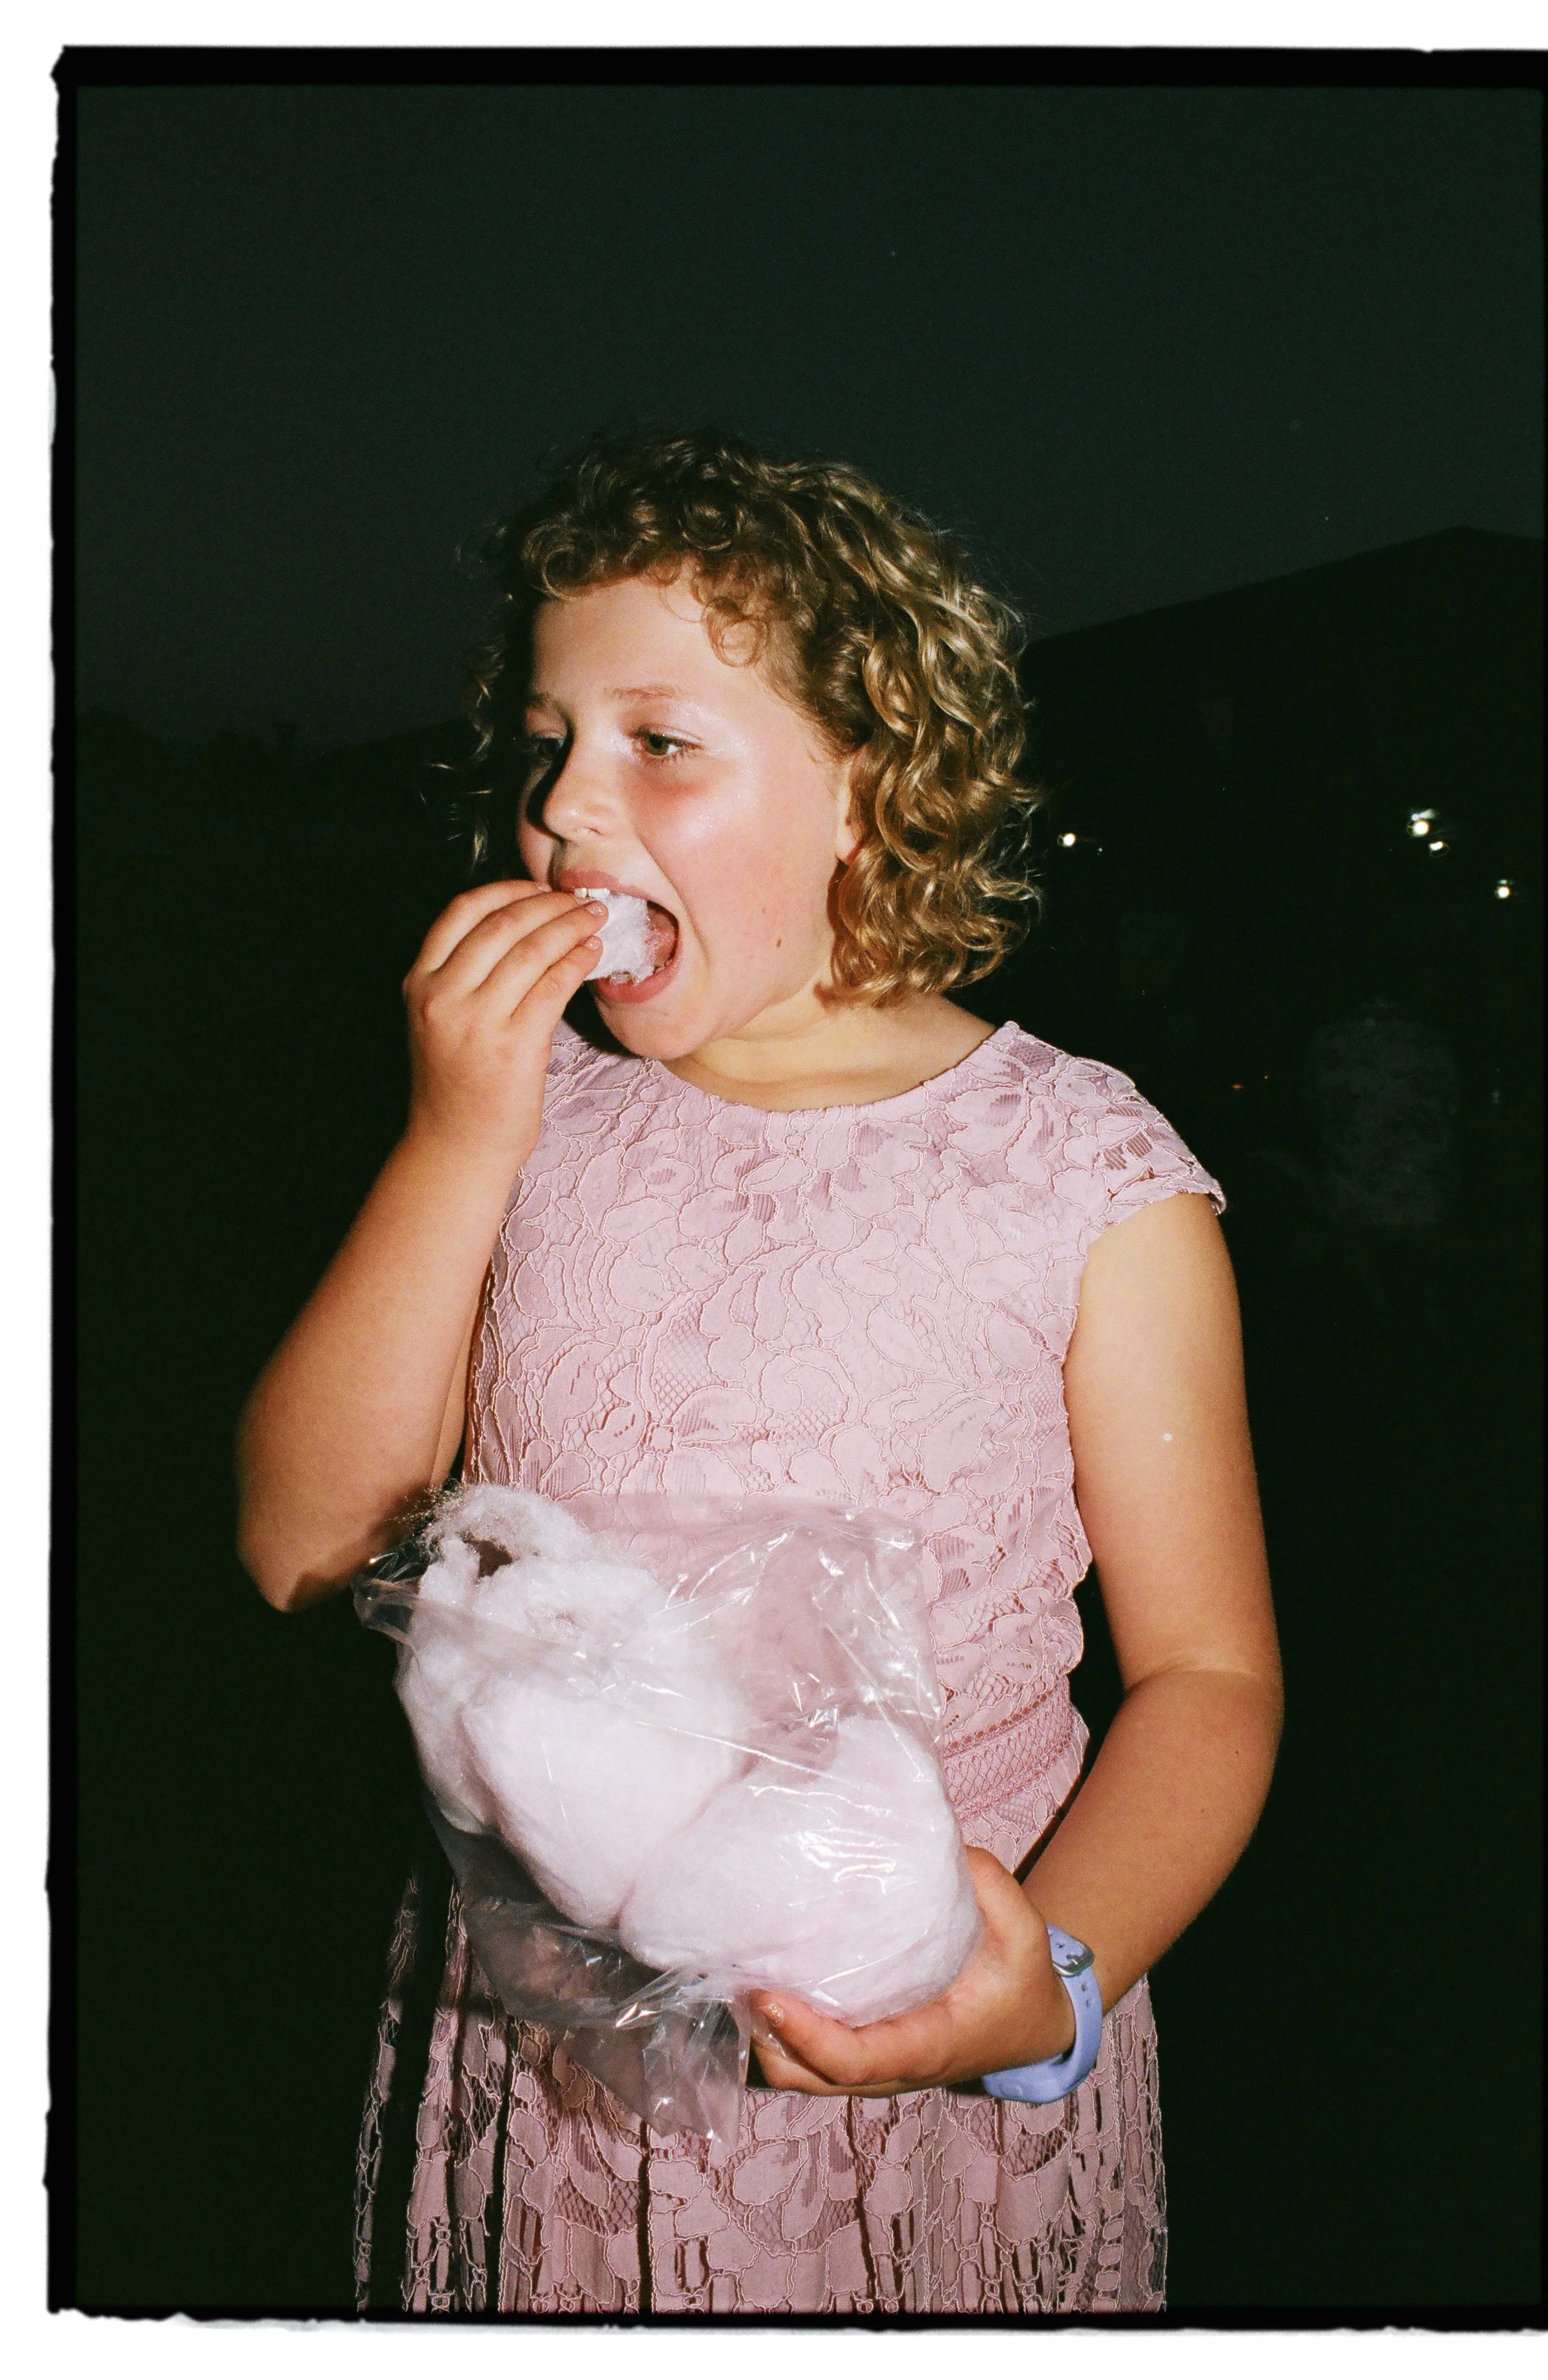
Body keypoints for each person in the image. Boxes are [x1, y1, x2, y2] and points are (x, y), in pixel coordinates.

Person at [235, 427, 1282, 2316]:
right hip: (545, 2064)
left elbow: (1207, 1680)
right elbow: (306, 1540)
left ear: (869, 782)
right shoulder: (528, 1120)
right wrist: (453, 1144)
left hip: (926, 2048)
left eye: (657, 743)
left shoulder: (1082, 1176)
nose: (565, 814)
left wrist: (1033, 1986)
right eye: (547, 746)